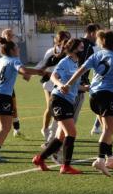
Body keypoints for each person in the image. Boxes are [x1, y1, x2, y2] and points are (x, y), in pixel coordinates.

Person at [62, 30, 113, 176]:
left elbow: (81, 70)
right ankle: (100, 159)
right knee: (109, 129)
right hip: (107, 95)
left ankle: (110, 159)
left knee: (106, 129)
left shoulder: (97, 54)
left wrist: (68, 84)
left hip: (94, 95)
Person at [0, 38, 45, 162]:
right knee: (5, 127)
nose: (19, 49)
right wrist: (40, 72)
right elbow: (23, 71)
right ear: (13, 50)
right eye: (17, 47)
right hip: (3, 96)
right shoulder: (14, 60)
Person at [31, 38, 92, 175]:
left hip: (67, 102)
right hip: (58, 100)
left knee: (61, 136)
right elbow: (53, 76)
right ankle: (66, 166)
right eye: (81, 47)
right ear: (74, 49)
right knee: (72, 133)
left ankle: (40, 159)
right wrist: (60, 85)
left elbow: (73, 86)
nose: (83, 49)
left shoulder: (76, 64)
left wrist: (85, 88)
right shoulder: (65, 61)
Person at [37, 30, 71, 144]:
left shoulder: (68, 53)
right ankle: (46, 129)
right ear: (58, 40)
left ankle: (53, 133)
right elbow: (44, 66)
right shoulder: (51, 51)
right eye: (64, 39)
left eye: (68, 39)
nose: (66, 42)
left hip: (61, 84)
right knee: (50, 108)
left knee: (57, 110)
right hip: (50, 83)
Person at [1, 28, 26, 139]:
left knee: (14, 107)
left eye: (12, 34)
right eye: (9, 34)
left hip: (8, 85)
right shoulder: (2, 48)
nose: (11, 36)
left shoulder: (13, 48)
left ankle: (17, 129)